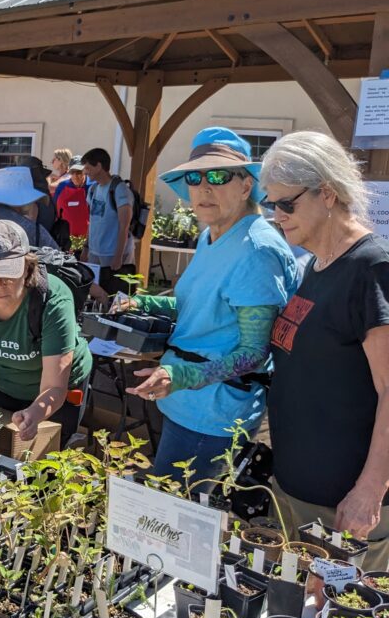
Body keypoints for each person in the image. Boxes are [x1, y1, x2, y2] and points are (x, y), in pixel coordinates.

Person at [123, 128, 298, 487]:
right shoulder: (211, 234)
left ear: (247, 185)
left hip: (214, 414)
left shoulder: (256, 250)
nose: (204, 187)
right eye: (194, 176)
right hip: (183, 400)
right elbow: (199, 305)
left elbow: (254, 353)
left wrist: (181, 377)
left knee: (175, 517)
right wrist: (139, 301)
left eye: (218, 176)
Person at [260, 131, 389, 565]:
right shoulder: (316, 264)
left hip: (345, 506)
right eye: (270, 204)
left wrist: (370, 489)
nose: (276, 216)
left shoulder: (371, 269)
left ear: (328, 194)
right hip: (296, 491)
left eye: (286, 204)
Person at [0, 220, 92, 444]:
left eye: (8, 274)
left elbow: (55, 386)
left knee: (45, 468)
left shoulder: (53, 301)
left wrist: (34, 414)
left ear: (27, 267)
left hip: (56, 393)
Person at [82, 147, 137, 295]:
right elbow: (92, 221)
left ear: (99, 166)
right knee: (95, 294)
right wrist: (86, 248)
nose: (85, 172)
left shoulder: (119, 190)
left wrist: (118, 256)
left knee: (115, 293)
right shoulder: (93, 189)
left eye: (87, 168)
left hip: (112, 254)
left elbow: (124, 225)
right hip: (95, 252)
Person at [53, 156, 91, 239]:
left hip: (88, 239)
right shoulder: (62, 186)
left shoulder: (93, 187)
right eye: (72, 173)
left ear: (85, 171)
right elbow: (54, 209)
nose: (75, 176)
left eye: (78, 172)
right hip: (66, 239)